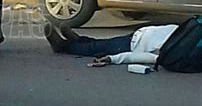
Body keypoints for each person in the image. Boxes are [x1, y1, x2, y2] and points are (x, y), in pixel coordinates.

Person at [46, 23, 179, 65]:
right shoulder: (189, 36)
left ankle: (63, 46)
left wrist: (113, 59)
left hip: (132, 45)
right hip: (138, 36)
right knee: (101, 43)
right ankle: (78, 39)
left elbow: (148, 58)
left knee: (96, 48)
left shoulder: (175, 53)